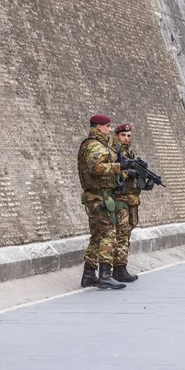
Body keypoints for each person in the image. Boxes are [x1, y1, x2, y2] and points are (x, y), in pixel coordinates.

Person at [77, 115, 126, 290]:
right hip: (99, 197)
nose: (110, 129)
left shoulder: (96, 145)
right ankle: (105, 275)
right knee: (109, 234)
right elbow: (95, 168)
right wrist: (118, 167)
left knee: (97, 236)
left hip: (97, 197)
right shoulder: (94, 146)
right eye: (108, 126)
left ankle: (89, 274)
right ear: (98, 127)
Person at [112, 123, 154, 283]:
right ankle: (119, 269)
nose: (126, 138)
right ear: (117, 136)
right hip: (120, 200)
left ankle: (120, 267)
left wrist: (146, 183)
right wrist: (127, 173)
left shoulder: (130, 154)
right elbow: (111, 174)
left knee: (128, 232)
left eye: (129, 136)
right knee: (121, 234)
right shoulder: (113, 153)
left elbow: (135, 180)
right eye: (123, 135)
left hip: (132, 200)